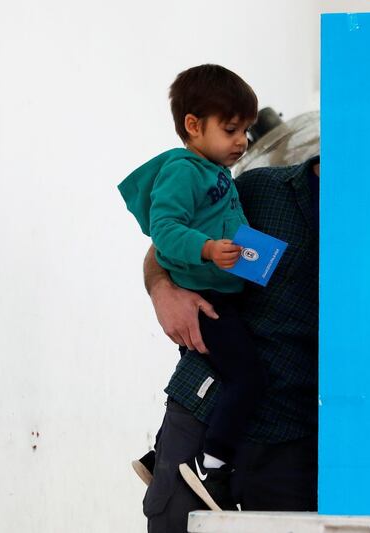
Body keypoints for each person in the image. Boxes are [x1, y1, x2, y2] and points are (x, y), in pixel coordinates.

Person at [143, 155, 319, 531]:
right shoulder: (262, 189)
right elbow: (166, 244)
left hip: (292, 432)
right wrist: (162, 290)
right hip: (205, 401)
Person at [118, 64, 266, 511]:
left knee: (213, 376)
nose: (242, 141)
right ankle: (210, 465)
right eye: (231, 129)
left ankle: (159, 455)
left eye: (247, 130)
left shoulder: (215, 170)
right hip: (209, 300)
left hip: (225, 292)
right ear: (193, 125)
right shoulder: (184, 172)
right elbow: (163, 230)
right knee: (247, 378)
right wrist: (206, 250)